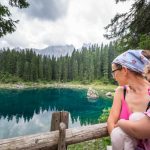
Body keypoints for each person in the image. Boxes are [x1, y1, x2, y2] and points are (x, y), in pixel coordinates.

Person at [107, 50, 150, 150]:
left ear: (125, 70)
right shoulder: (121, 92)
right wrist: (118, 142)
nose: (114, 77)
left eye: (114, 72)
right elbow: (111, 122)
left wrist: (121, 124)